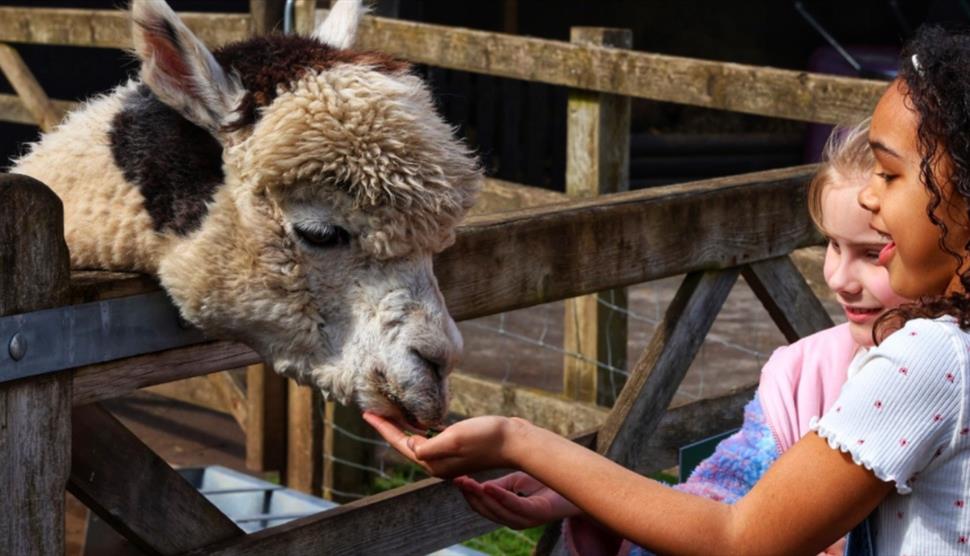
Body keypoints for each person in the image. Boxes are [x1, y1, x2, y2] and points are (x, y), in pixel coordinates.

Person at [367, 26, 970, 555]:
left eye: (888, 176)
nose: (871, 197)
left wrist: (517, 438)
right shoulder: (875, 361)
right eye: (834, 245)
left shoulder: (929, 357)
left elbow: (738, 537)